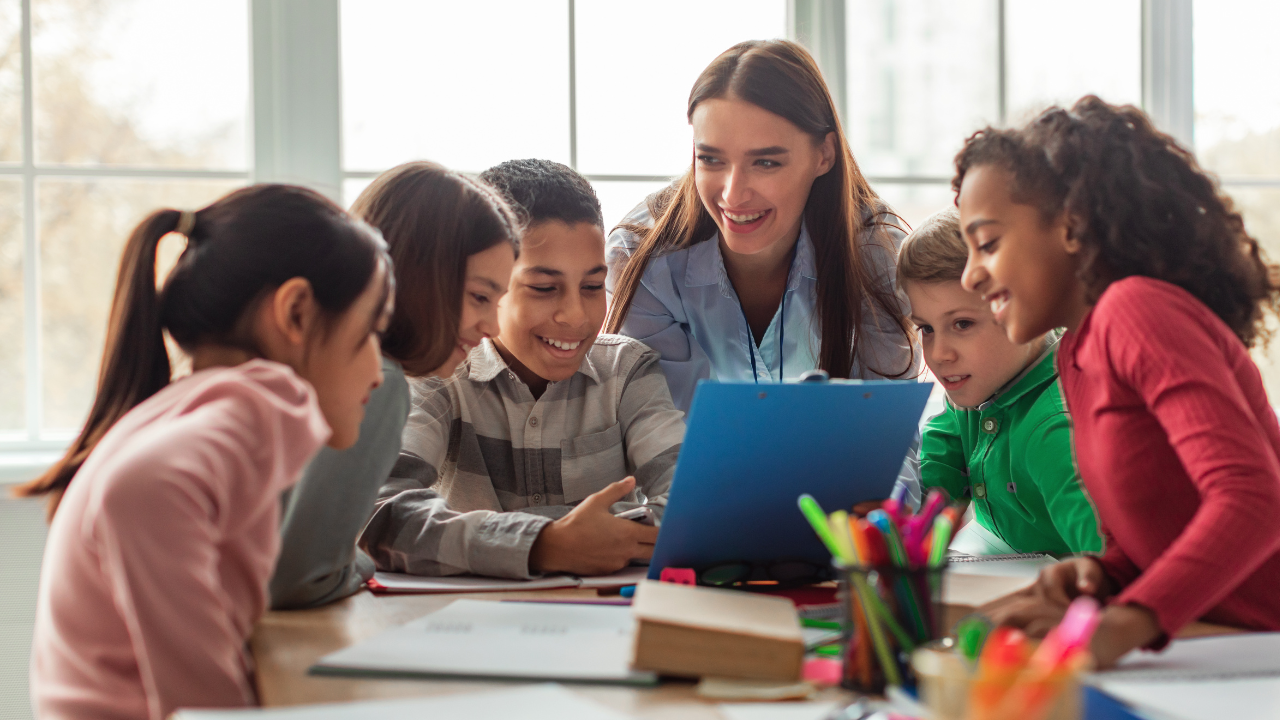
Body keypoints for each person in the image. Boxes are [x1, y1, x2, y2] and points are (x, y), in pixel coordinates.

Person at [22, 185, 392, 719]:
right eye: (371, 332)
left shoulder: (197, 405)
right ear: (296, 314)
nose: (379, 374)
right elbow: (142, 489)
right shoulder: (245, 411)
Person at [956, 96, 1280, 667]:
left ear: (1072, 227)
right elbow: (1158, 540)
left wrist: (1125, 624)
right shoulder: (1076, 356)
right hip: (1222, 651)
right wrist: (1103, 578)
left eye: (987, 243)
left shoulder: (1136, 310)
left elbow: (1254, 497)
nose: (970, 274)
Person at [604, 39, 922, 504]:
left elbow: (889, 442)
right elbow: (665, 442)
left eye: (766, 162)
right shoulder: (644, 256)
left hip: (838, 517)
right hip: (704, 507)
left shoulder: (874, 254)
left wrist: (882, 507)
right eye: (710, 159)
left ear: (824, 155)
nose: (733, 193)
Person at [361, 159, 684, 578]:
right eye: (544, 288)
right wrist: (545, 545)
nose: (575, 316)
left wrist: (573, 539)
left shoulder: (628, 370)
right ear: (491, 283)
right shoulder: (440, 374)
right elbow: (381, 515)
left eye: (591, 287)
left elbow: (687, 509)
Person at [269, 161, 520, 609]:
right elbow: (301, 578)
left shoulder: (308, 364)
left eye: (499, 302)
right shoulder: (375, 383)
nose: (493, 327)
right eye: (479, 297)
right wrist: (361, 562)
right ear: (418, 276)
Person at [900, 207, 1101, 556]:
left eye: (962, 324)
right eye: (926, 329)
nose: (940, 353)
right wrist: (921, 517)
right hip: (1002, 559)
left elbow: (1107, 559)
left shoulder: (1053, 429)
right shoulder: (978, 386)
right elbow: (944, 454)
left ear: (1029, 305)